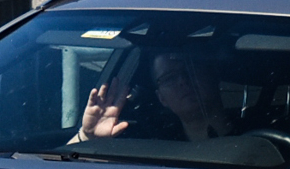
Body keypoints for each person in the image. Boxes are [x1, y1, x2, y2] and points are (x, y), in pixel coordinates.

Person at [75, 47, 232, 143]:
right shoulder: (151, 144)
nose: (183, 81)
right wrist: (87, 138)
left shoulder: (254, 135)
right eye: (169, 78)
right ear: (161, 97)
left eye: (190, 70)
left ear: (213, 75)